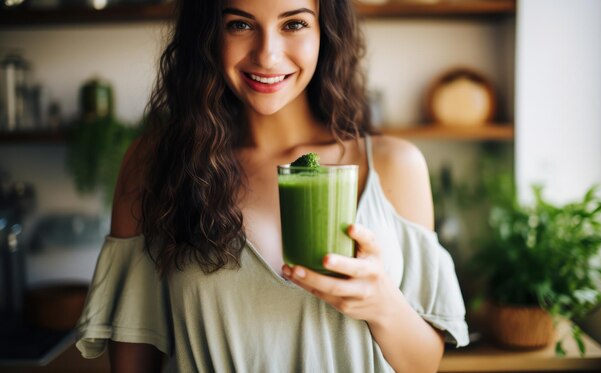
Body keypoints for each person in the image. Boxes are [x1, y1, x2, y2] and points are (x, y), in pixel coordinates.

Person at [75, 0, 469, 372]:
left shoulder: (394, 165)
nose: (267, 54)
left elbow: (423, 364)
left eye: (294, 23)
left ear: (325, 32)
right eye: (240, 24)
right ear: (208, 34)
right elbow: (132, 362)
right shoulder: (154, 164)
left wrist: (382, 304)